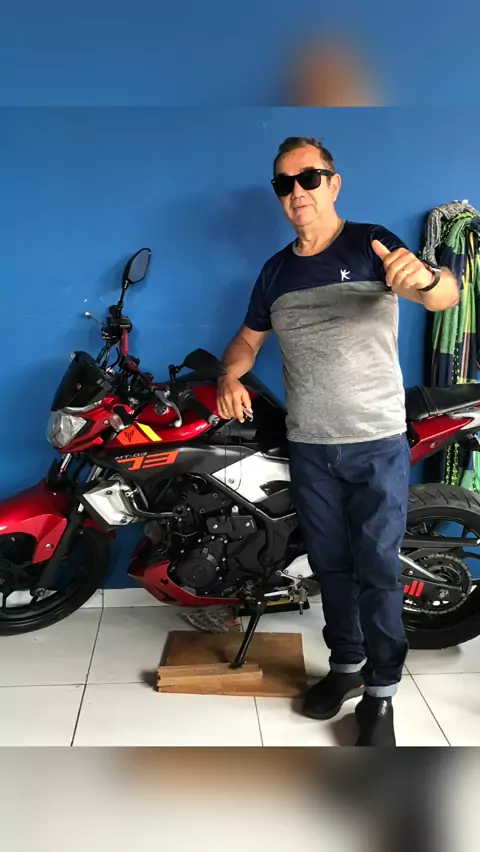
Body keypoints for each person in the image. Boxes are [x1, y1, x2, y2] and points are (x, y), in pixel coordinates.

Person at [216, 136, 460, 747]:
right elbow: (246, 340)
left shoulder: (372, 243)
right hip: (310, 446)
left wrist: (428, 277)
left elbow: (442, 295)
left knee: (378, 569)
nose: (297, 192)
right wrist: (229, 374)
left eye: (309, 178)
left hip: (376, 441)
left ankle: (382, 693)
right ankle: (347, 667)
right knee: (331, 566)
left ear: (334, 183)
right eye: (285, 183)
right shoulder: (275, 271)